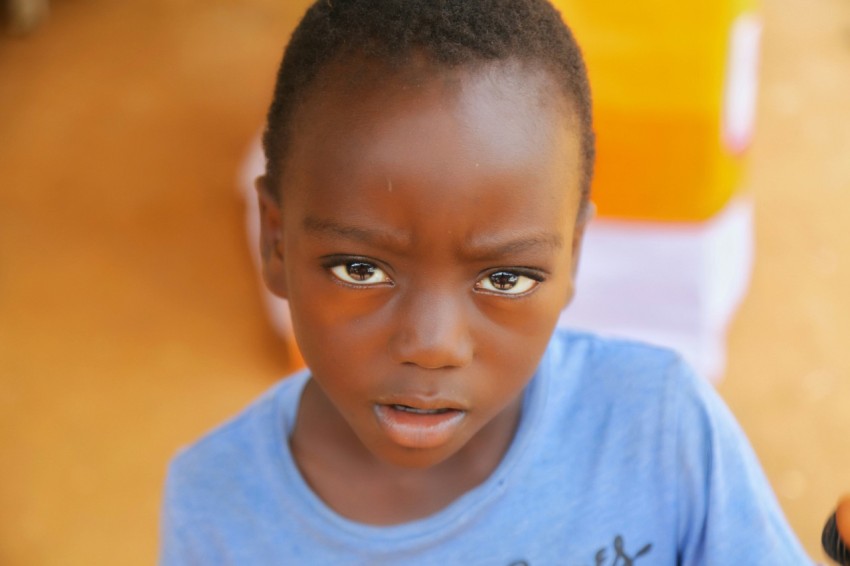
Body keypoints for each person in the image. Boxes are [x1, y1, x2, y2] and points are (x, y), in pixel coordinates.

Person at [160, 0, 811, 563]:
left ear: (574, 255)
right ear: (275, 241)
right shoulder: (216, 503)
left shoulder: (657, 424)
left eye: (505, 278)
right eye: (361, 270)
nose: (433, 344)